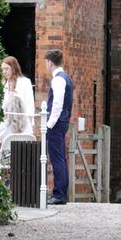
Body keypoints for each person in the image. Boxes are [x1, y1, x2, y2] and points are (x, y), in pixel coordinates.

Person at [41, 49, 74, 206]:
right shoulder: (66, 77)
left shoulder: (58, 80)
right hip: (63, 122)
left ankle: (59, 194)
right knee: (61, 158)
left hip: (56, 124)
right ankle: (61, 193)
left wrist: (49, 124)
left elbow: (57, 105)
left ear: (50, 63)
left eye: (46, 63)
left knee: (57, 159)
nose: (46, 66)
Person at [0, 56, 35, 161]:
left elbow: (30, 104)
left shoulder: (25, 82)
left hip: (22, 124)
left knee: (23, 156)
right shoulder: (3, 84)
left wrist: (29, 123)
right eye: (2, 69)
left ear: (13, 68)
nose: (4, 72)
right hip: (7, 125)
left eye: (6, 69)